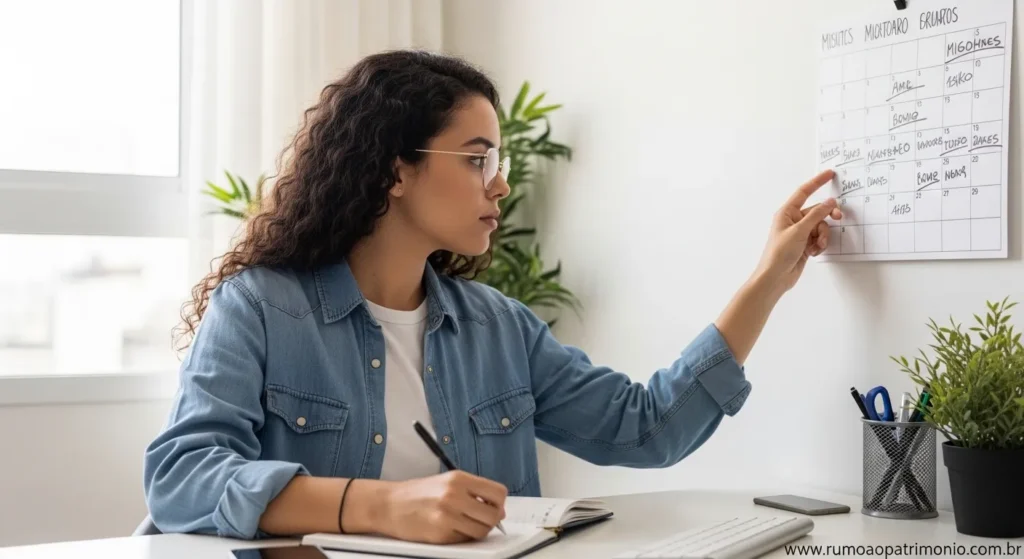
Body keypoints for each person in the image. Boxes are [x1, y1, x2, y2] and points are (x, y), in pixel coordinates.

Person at [142, 49, 842, 544]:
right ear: (395, 172)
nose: (500, 184)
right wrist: (383, 506)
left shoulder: (498, 327)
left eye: (497, 162)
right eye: (478, 160)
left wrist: (769, 280)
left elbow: (647, 427)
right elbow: (182, 478)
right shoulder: (260, 306)